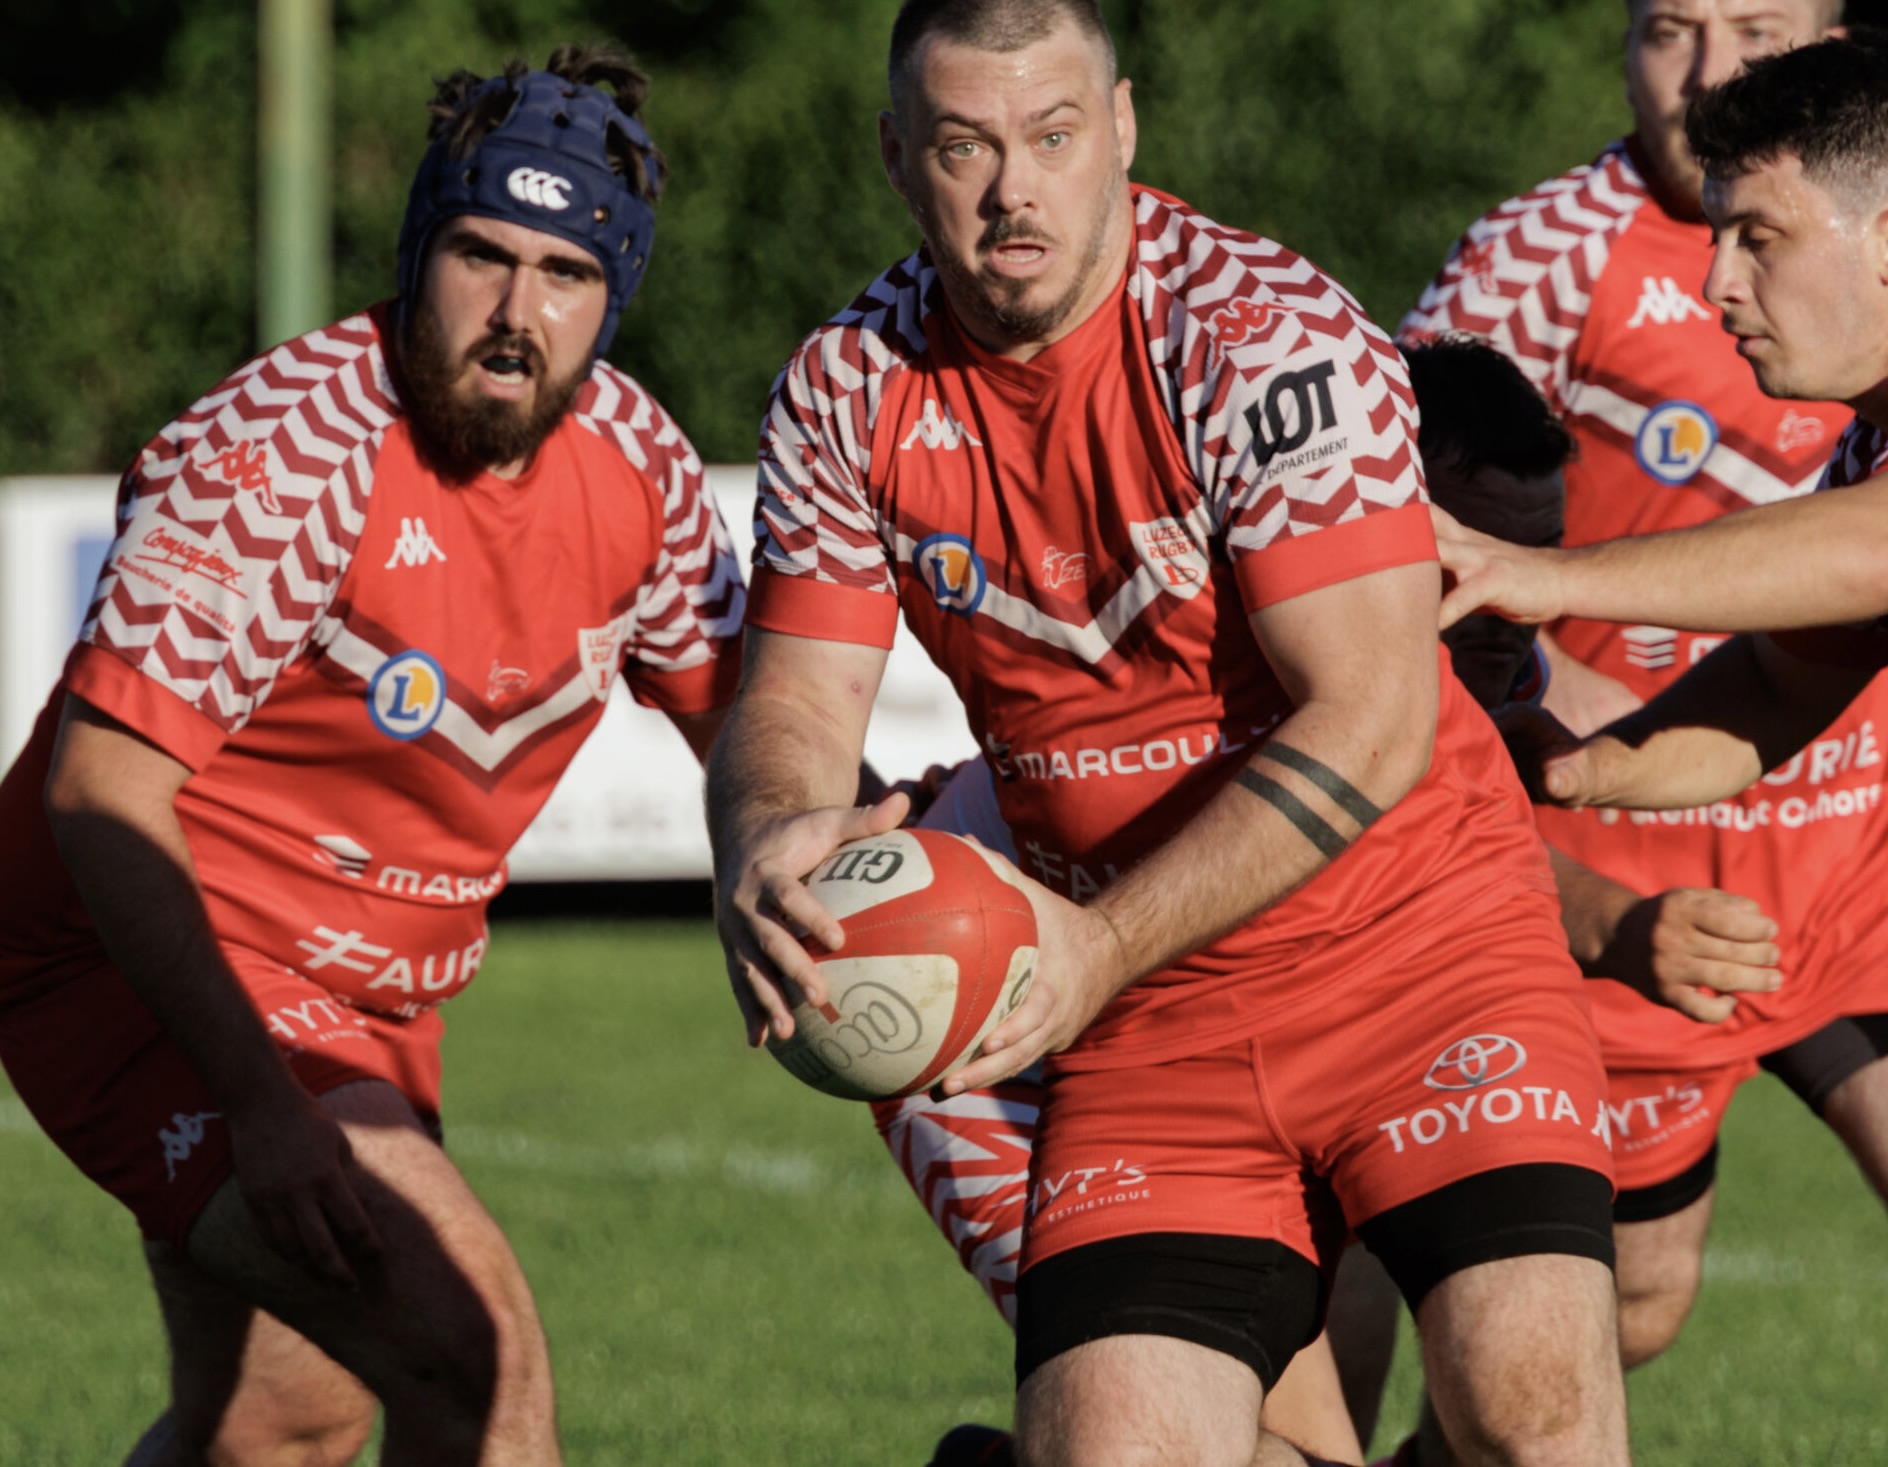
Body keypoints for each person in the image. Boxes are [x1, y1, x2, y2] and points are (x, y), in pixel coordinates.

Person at [709, 5, 1629, 1465]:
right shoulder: (846, 386)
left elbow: (1376, 717)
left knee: (1534, 1414)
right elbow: (798, 702)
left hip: (1419, 955)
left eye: (1053, 136)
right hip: (1151, 1017)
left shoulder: (1263, 335)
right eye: (965, 147)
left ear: (1123, 128)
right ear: (896, 155)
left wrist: (1096, 946)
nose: (1014, 190)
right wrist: (766, 840)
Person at [0, 44, 744, 1465]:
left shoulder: (638, 465)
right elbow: (99, 792)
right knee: (478, 1362)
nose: (517, 314)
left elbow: (758, 733)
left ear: (616, 295)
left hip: (362, 994)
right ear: (417, 249)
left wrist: (845, 870)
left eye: (566, 273)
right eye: (481, 255)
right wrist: (260, 1104)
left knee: (282, 1421)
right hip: (139, 954)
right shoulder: (283, 454)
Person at [886, 337, 1781, 1466]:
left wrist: (1626, 770)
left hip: (1300, 1019)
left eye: (1532, 557)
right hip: (1001, 1040)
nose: (1502, 601)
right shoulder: (1278, 656)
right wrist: (1614, 919)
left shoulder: (1496, 648)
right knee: (1260, 1439)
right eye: (1458, 554)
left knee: (1521, 1387)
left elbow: (1523, 802)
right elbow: (1317, 842)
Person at [1398, 0, 1888, 1384]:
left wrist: (1545, 576)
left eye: (1760, 240)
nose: (1718, 282)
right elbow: (1778, 688)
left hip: (1843, 874)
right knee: (1614, 1310)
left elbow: (1868, 551)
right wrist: (1584, 765)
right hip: (1680, 891)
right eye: (1716, 237)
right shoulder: (1861, 442)